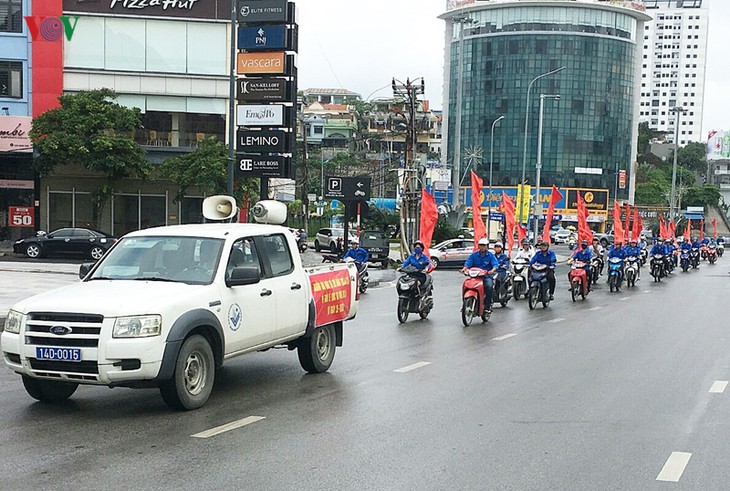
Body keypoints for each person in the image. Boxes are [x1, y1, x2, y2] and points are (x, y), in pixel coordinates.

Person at [463, 237, 499, 313]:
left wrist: (492, 271)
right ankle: (465, 304)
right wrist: (464, 269)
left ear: (487, 246)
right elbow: (468, 262)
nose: (482, 247)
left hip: (486, 277)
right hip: (475, 277)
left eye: (484, 245)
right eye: (480, 245)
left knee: (489, 287)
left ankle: (487, 306)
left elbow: (495, 264)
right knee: (466, 285)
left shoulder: (490, 255)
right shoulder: (474, 255)